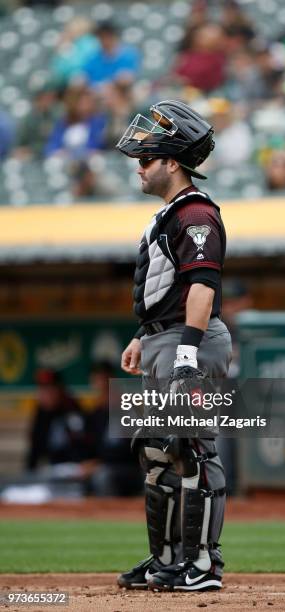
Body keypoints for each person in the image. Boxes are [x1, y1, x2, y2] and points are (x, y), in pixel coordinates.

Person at [116, 100, 232, 591]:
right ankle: (165, 560)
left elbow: (202, 286)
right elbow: (168, 290)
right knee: (158, 454)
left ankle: (202, 566)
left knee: (193, 450)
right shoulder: (170, 215)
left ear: (173, 162)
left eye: (148, 159)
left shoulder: (198, 213)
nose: (140, 167)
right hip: (165, 338)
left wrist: (184, 353)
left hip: (193, 343)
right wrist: (144, 336)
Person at [83, 361, 143, 496]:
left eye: (104, 380)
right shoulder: (95, 414)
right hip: (102, 467)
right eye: (97, 380)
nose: (101, 384)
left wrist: (100, 462)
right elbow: (89, 447)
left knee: (102, 476)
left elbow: (133, 450)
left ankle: (111, 516)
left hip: (129, 469)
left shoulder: (128, 408)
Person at [26, 369, 88, 471]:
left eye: (49, 389)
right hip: (51, 469)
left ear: (59, 389)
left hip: (74, 469)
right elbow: (35, 449)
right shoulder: (41, 412)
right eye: (41, 389)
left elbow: (81, 449)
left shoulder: (72, 409)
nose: (44, 394)